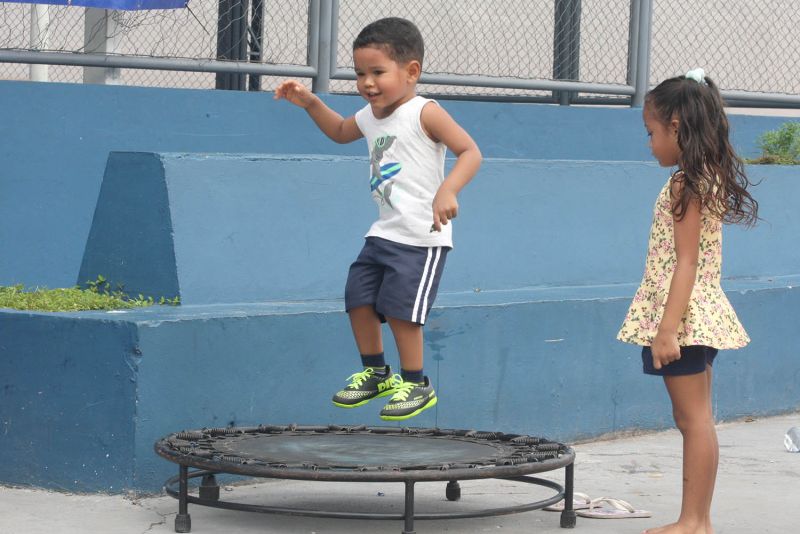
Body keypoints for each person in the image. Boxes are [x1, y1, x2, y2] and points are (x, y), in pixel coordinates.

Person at [274, 17, 481, 421]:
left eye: (377, 72)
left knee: (402, 310)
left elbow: (470, 151)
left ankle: (416, 383)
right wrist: (311, 103)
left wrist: (448, 190)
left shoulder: (425, 112)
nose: (367, 83)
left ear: (411, 71)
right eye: (359, 74)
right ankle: (376, 373)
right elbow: (339, 131)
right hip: (385, 232)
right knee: (359, 297)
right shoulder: (370, 116)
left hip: (422, 236)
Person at [617, 68, 758, 534]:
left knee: (693, 420)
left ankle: (694, 521)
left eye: (651, 132)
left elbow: (686, 262)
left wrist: (666, 329)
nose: (649, 144)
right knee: (698, 419)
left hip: (685, 318)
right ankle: (698, 520)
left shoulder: (685, 182)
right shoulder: (705, 176)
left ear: (675, 127)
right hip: (699, 314)